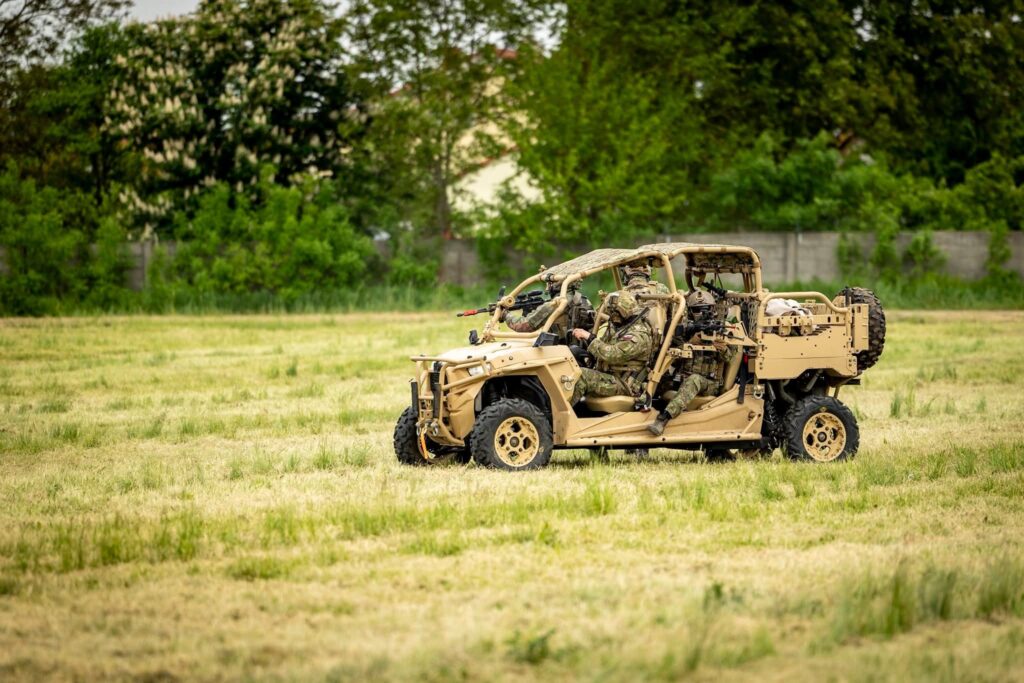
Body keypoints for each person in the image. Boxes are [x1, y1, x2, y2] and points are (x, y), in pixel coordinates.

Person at [648, 289, 736, 436]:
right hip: (681, 377)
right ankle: (642, 417)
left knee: (694, 380)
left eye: (706, 310)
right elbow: (673, 358)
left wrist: (722, 349)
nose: (701, 314)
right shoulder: (684, 330)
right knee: (655, 379)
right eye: (697, 310)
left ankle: (663, 418)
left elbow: (731, 359)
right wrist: (690, 342)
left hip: (708, 383)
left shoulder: (722, 330)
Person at [569, 290, 654, 405]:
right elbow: (603, 345)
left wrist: (590, 338)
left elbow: (613, 354)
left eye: (614, 312)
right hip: (609, 376)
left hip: (624, 384)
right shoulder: (619, 327)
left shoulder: (638, 334)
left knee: (581, 376)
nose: (611, 315)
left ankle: (560, 415)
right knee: (570, 366)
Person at [503, 281, 593, 336]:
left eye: (550, 282)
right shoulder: (582, 299)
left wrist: (505, 315)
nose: (548, 286)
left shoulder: (556, 303)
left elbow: (523, 326)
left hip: (561, 352)